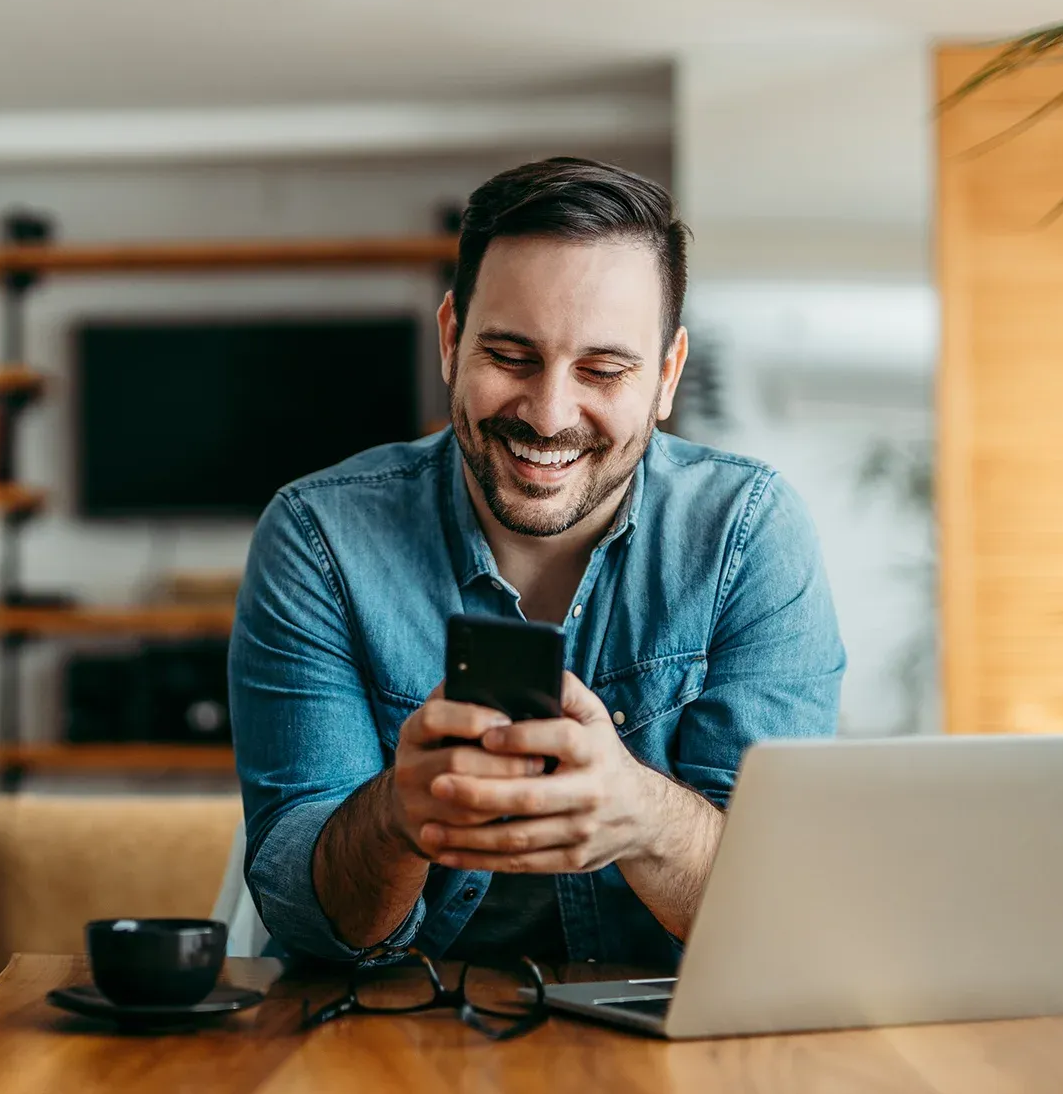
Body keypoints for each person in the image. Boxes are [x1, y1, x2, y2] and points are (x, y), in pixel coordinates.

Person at [230, 157, 844, 970]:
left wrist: (642, 815)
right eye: (512, 357)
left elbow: (779, 916)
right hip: (390, 1035)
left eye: (603, 369)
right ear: (451, 339)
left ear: (665, 375)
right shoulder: (318, 538)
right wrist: (396, 817)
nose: (549, 414)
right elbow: (305, 921)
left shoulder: (748, 533)